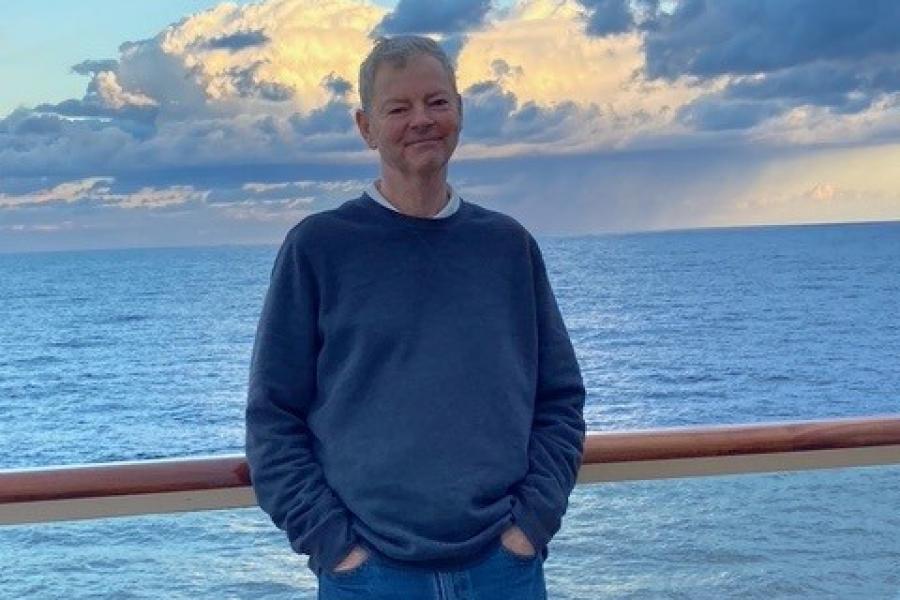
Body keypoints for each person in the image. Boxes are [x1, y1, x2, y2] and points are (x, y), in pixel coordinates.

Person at [245, 34, 586, 599]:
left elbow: (559, 399)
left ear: (460, 112)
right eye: (398, 108)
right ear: (366, 127)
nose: (421, 120)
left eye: (437, 102)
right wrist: (334, 546)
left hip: (503, 569)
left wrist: (530, 526)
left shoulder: (506, 246)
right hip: (370, 576)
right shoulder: (320, 247)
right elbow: (273, 416)